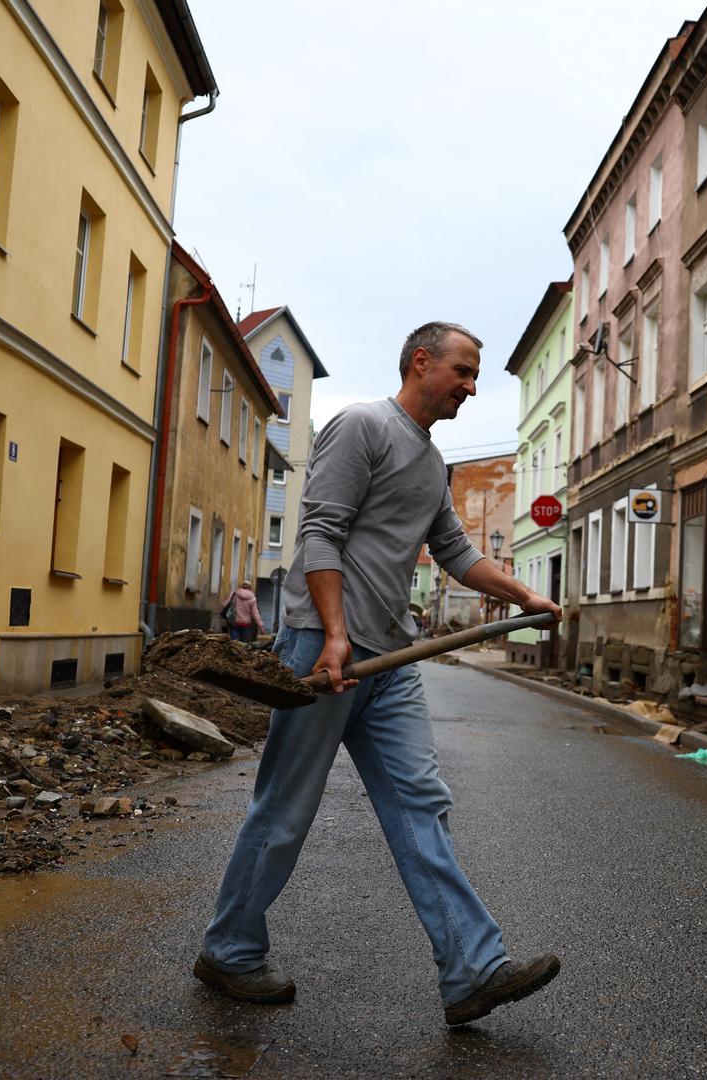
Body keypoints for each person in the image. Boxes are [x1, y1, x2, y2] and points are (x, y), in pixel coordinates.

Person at [194, 322, 565, 1025]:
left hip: (390, 660)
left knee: (421, 803)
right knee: (286, 808)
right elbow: (320, 532)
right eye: (462, 370)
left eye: (474, 374)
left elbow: (454, 551)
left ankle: (471, 969)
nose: (471, 385)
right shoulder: (362, 426)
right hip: (322, 648)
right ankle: (230, 948)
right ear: (420, 362)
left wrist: (523, 595)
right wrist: (333, 634)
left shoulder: (431, 461)